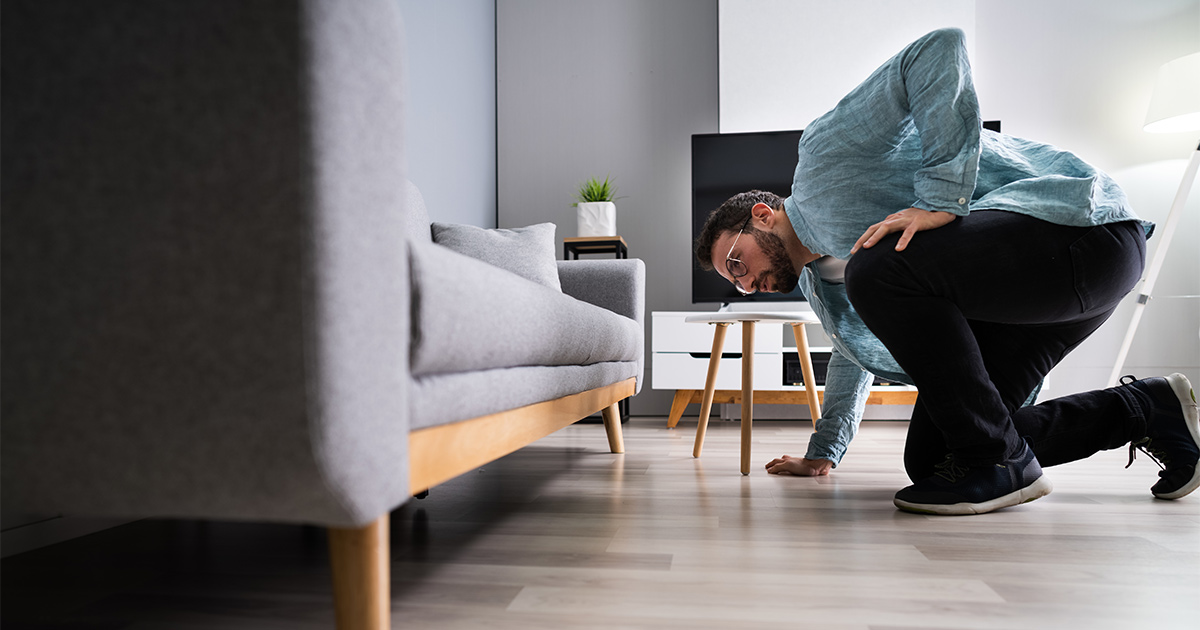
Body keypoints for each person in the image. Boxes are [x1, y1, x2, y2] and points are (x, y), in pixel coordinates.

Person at [694, 28, 1199, 515]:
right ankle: (1146, 409)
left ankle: (1002, 463)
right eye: (732, 282)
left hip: (1079, 236)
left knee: (874, 269)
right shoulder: (821, 285)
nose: (742, 283)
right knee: (937, 459)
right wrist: (825, 449)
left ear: (762, 215)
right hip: (1030, 309)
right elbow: (853, 361)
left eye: (736, 262)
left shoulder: (823, 159)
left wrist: (941, 199)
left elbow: (938, 48)